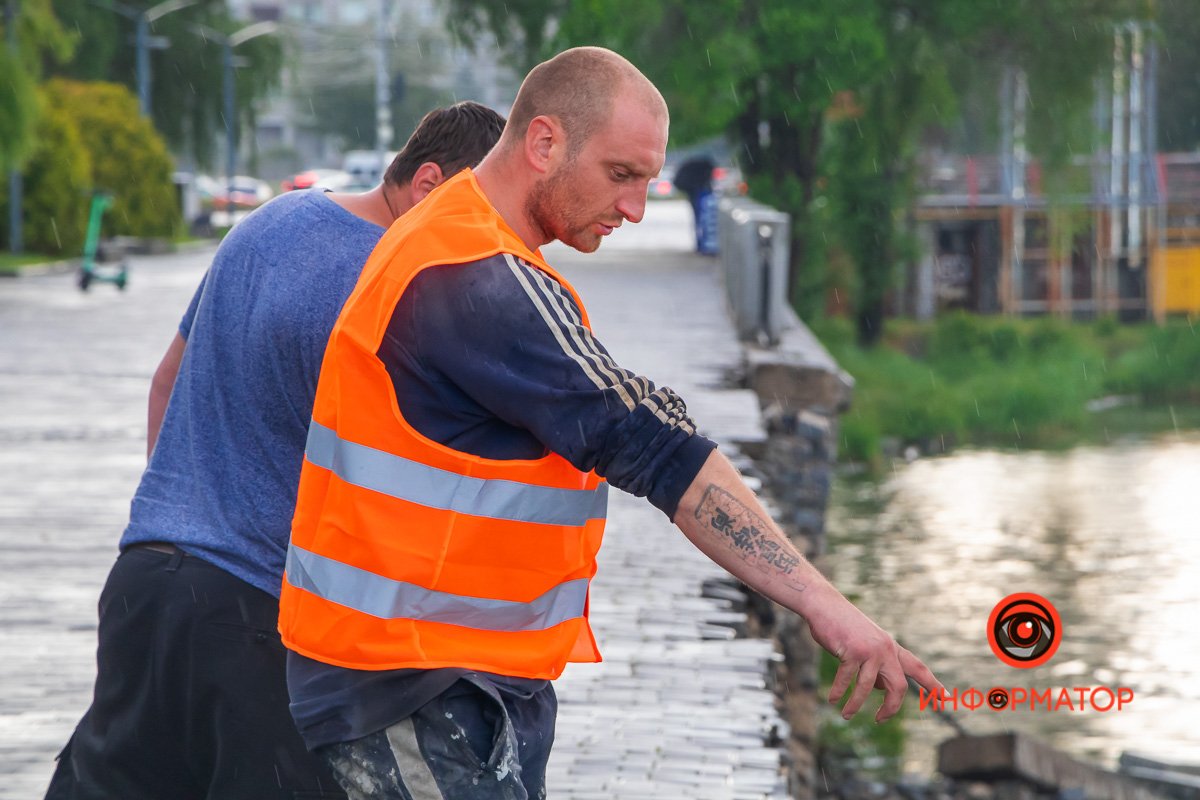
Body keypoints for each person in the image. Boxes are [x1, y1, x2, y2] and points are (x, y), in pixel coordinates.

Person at [280, 46, 943, 800]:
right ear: (543, 143)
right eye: (621, 175)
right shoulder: (475, 279)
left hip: (425, 672)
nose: (634, 207)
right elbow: (663, 455)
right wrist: (829, 608)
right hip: (411, 685)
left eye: (648, 183)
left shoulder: (451, 237)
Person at [44, 101, 506, 800]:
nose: (488, 247)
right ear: (430, 185)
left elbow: (167, 379)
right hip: (259, 618)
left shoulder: (270, 221)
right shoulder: (393, 286)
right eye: (484, 217)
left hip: (147, 585)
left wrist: (193, 517)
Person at [672, 152, 717, 253]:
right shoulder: (703, 170)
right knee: (704, 219)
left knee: (699, 220)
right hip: (699, 194)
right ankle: (705, 245)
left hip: (694, 193)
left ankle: (701, 244)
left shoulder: (691, 170)